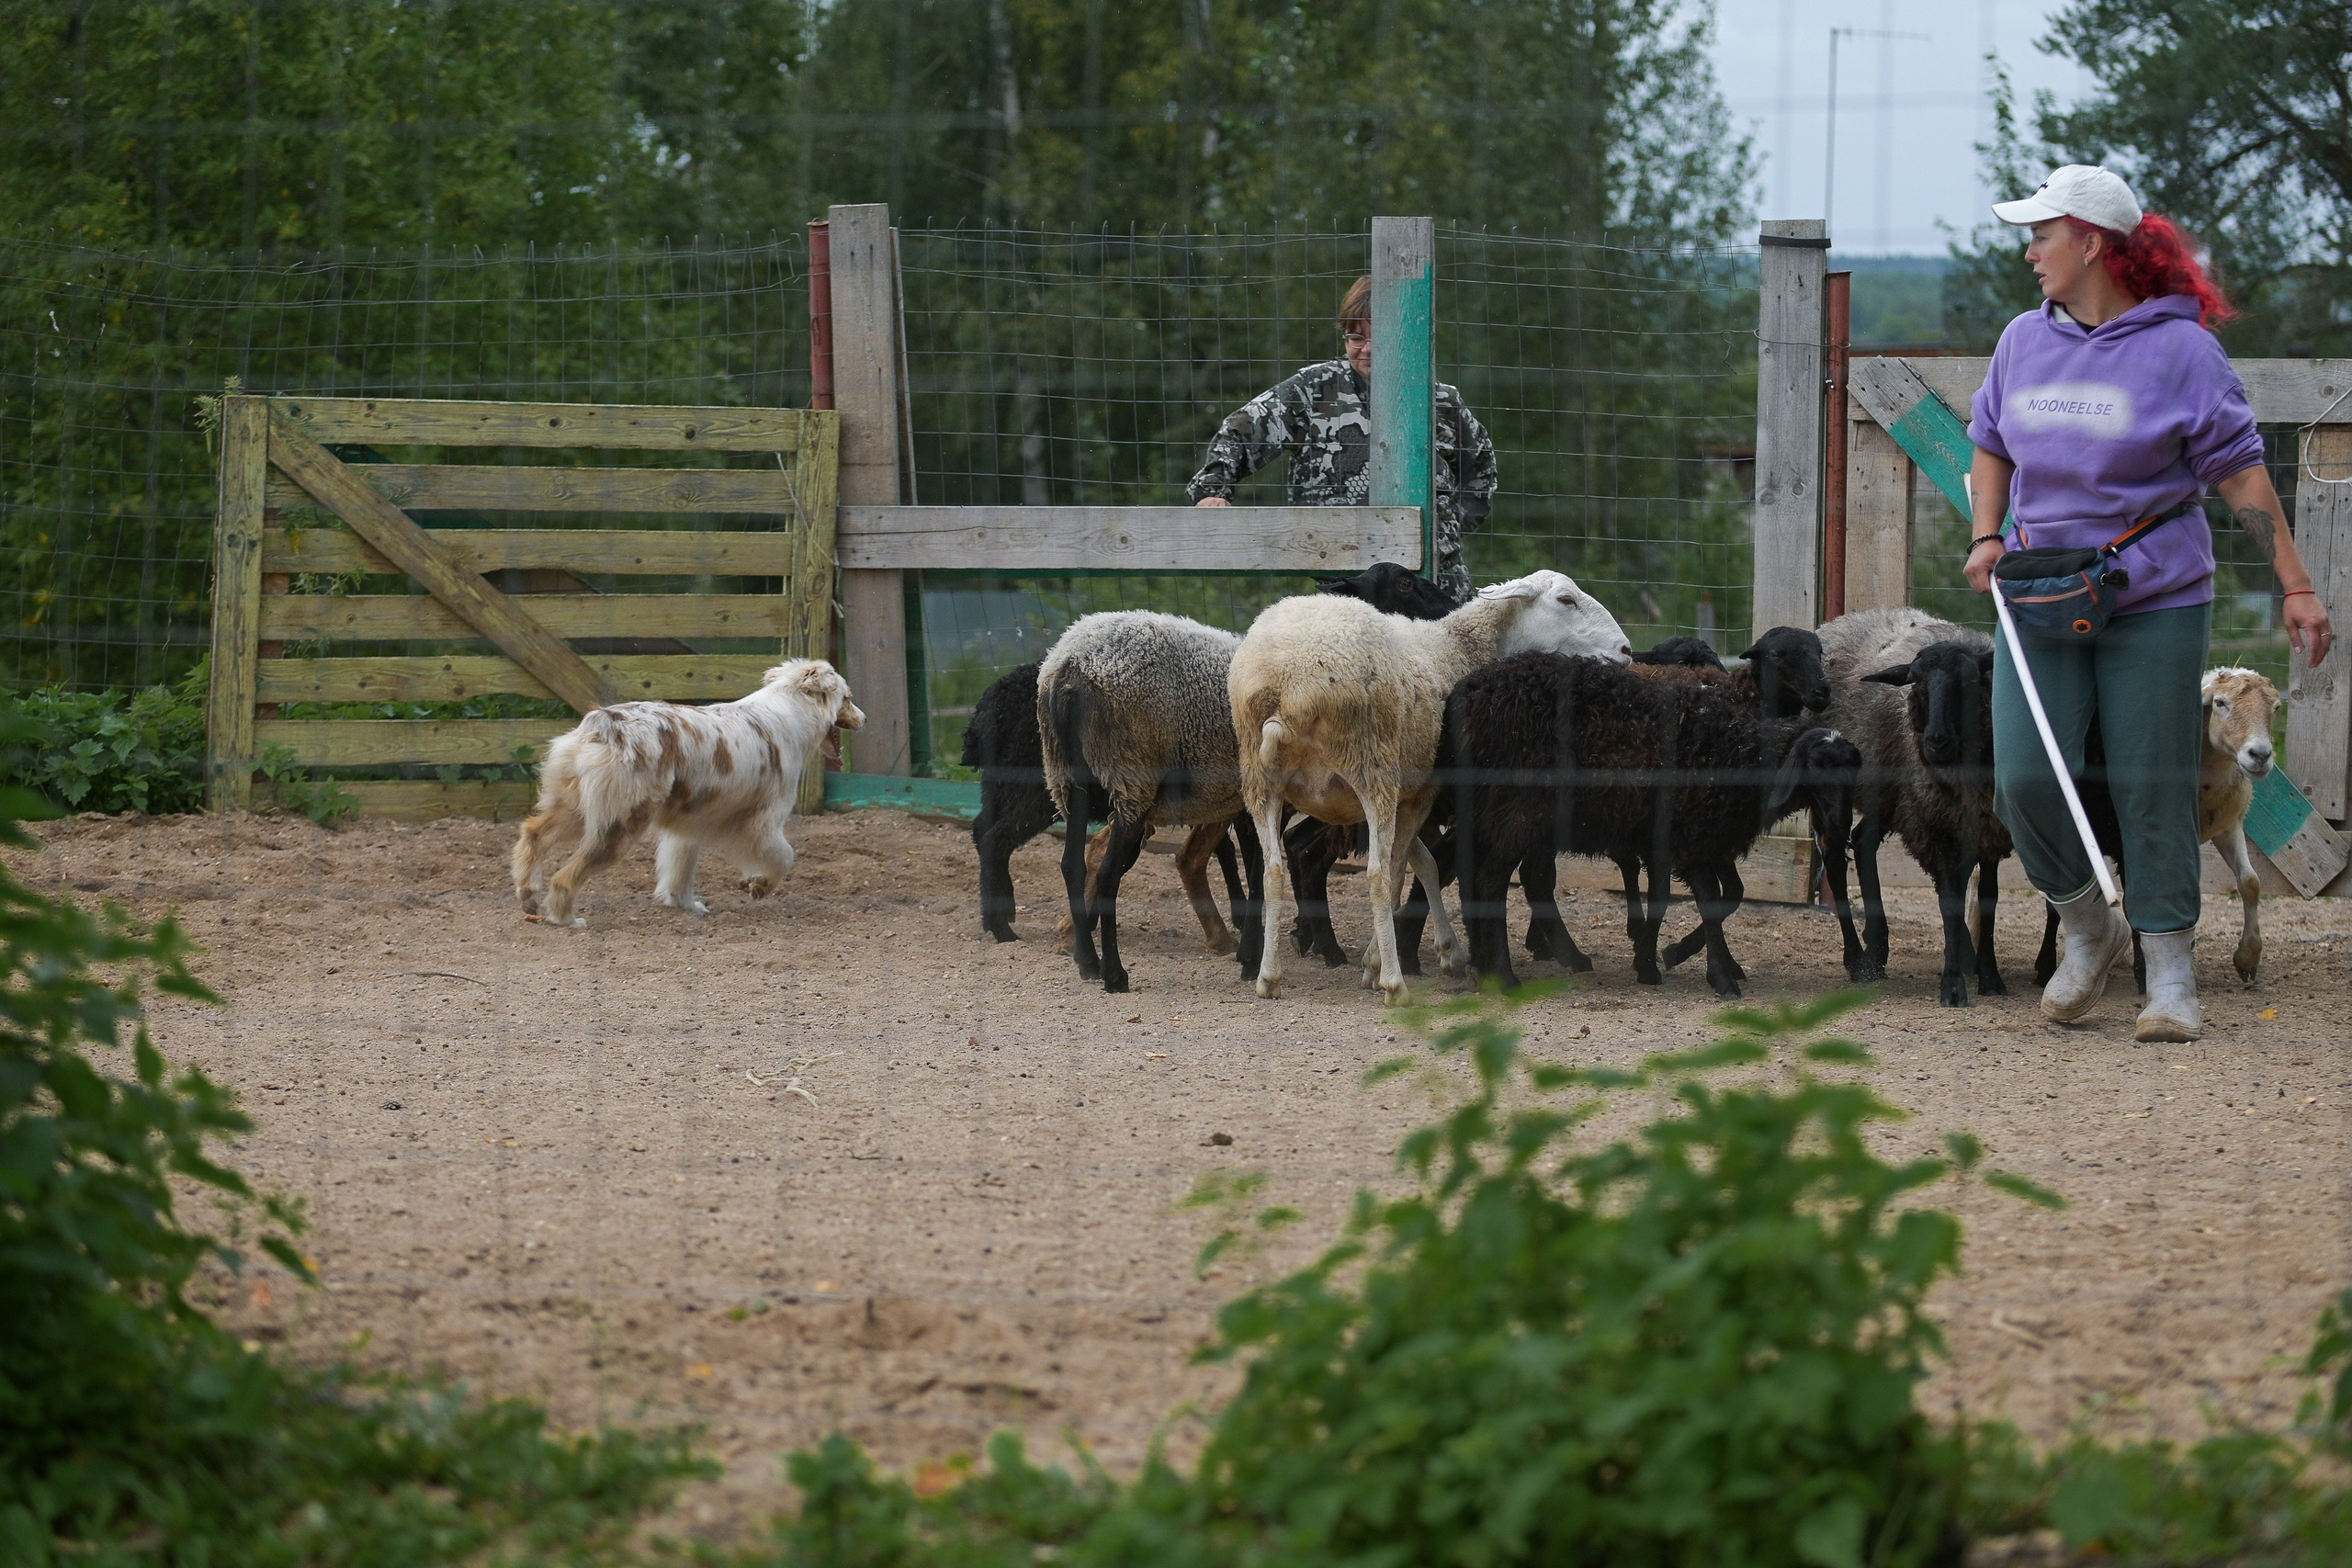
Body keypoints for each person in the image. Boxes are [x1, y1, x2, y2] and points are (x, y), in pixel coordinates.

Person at [1962, 164, 2335, 1043]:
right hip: (2040, 590)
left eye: (2042, 233)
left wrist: (2297, 585)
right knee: (2020, 778)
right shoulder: (2022, 340)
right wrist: (1986, 535)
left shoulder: (2184, 351)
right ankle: (2091, 923)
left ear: (2092, 243)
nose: (2029, 251)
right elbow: (1989, 443)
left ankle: (2171, 973)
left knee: (2152, 783)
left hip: (2155, 596)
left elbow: (2241, 475)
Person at [1187, 276, 1498, 604]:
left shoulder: (1441, 401)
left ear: (1405, 337)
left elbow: (1480, 470)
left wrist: (1445, 533)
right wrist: (1213, 491)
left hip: (1434, 589)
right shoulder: (1314, 389)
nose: (1366, 350)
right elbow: (1241, 431)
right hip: (1348, 588)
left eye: (1379, 338)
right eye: (1355, 338)